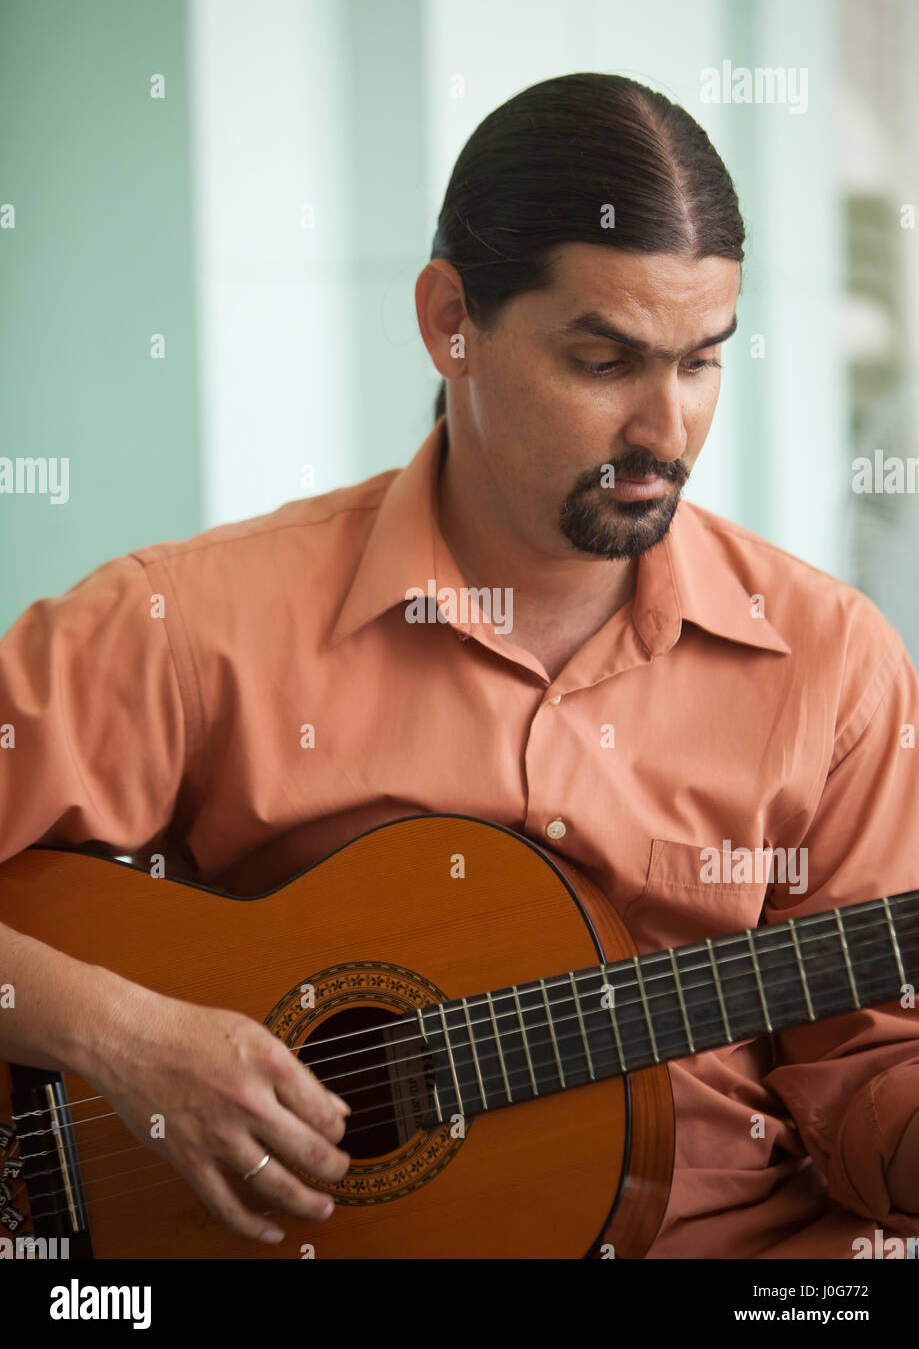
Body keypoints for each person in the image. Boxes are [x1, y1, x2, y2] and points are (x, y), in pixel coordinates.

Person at [1, 72, 918, 1258]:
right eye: (604, 362)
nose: (666, 430)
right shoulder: (187, 626)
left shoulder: (833, 661)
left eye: (700, 362)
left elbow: (867, 1072)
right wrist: (116, 1033)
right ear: (451, 321)